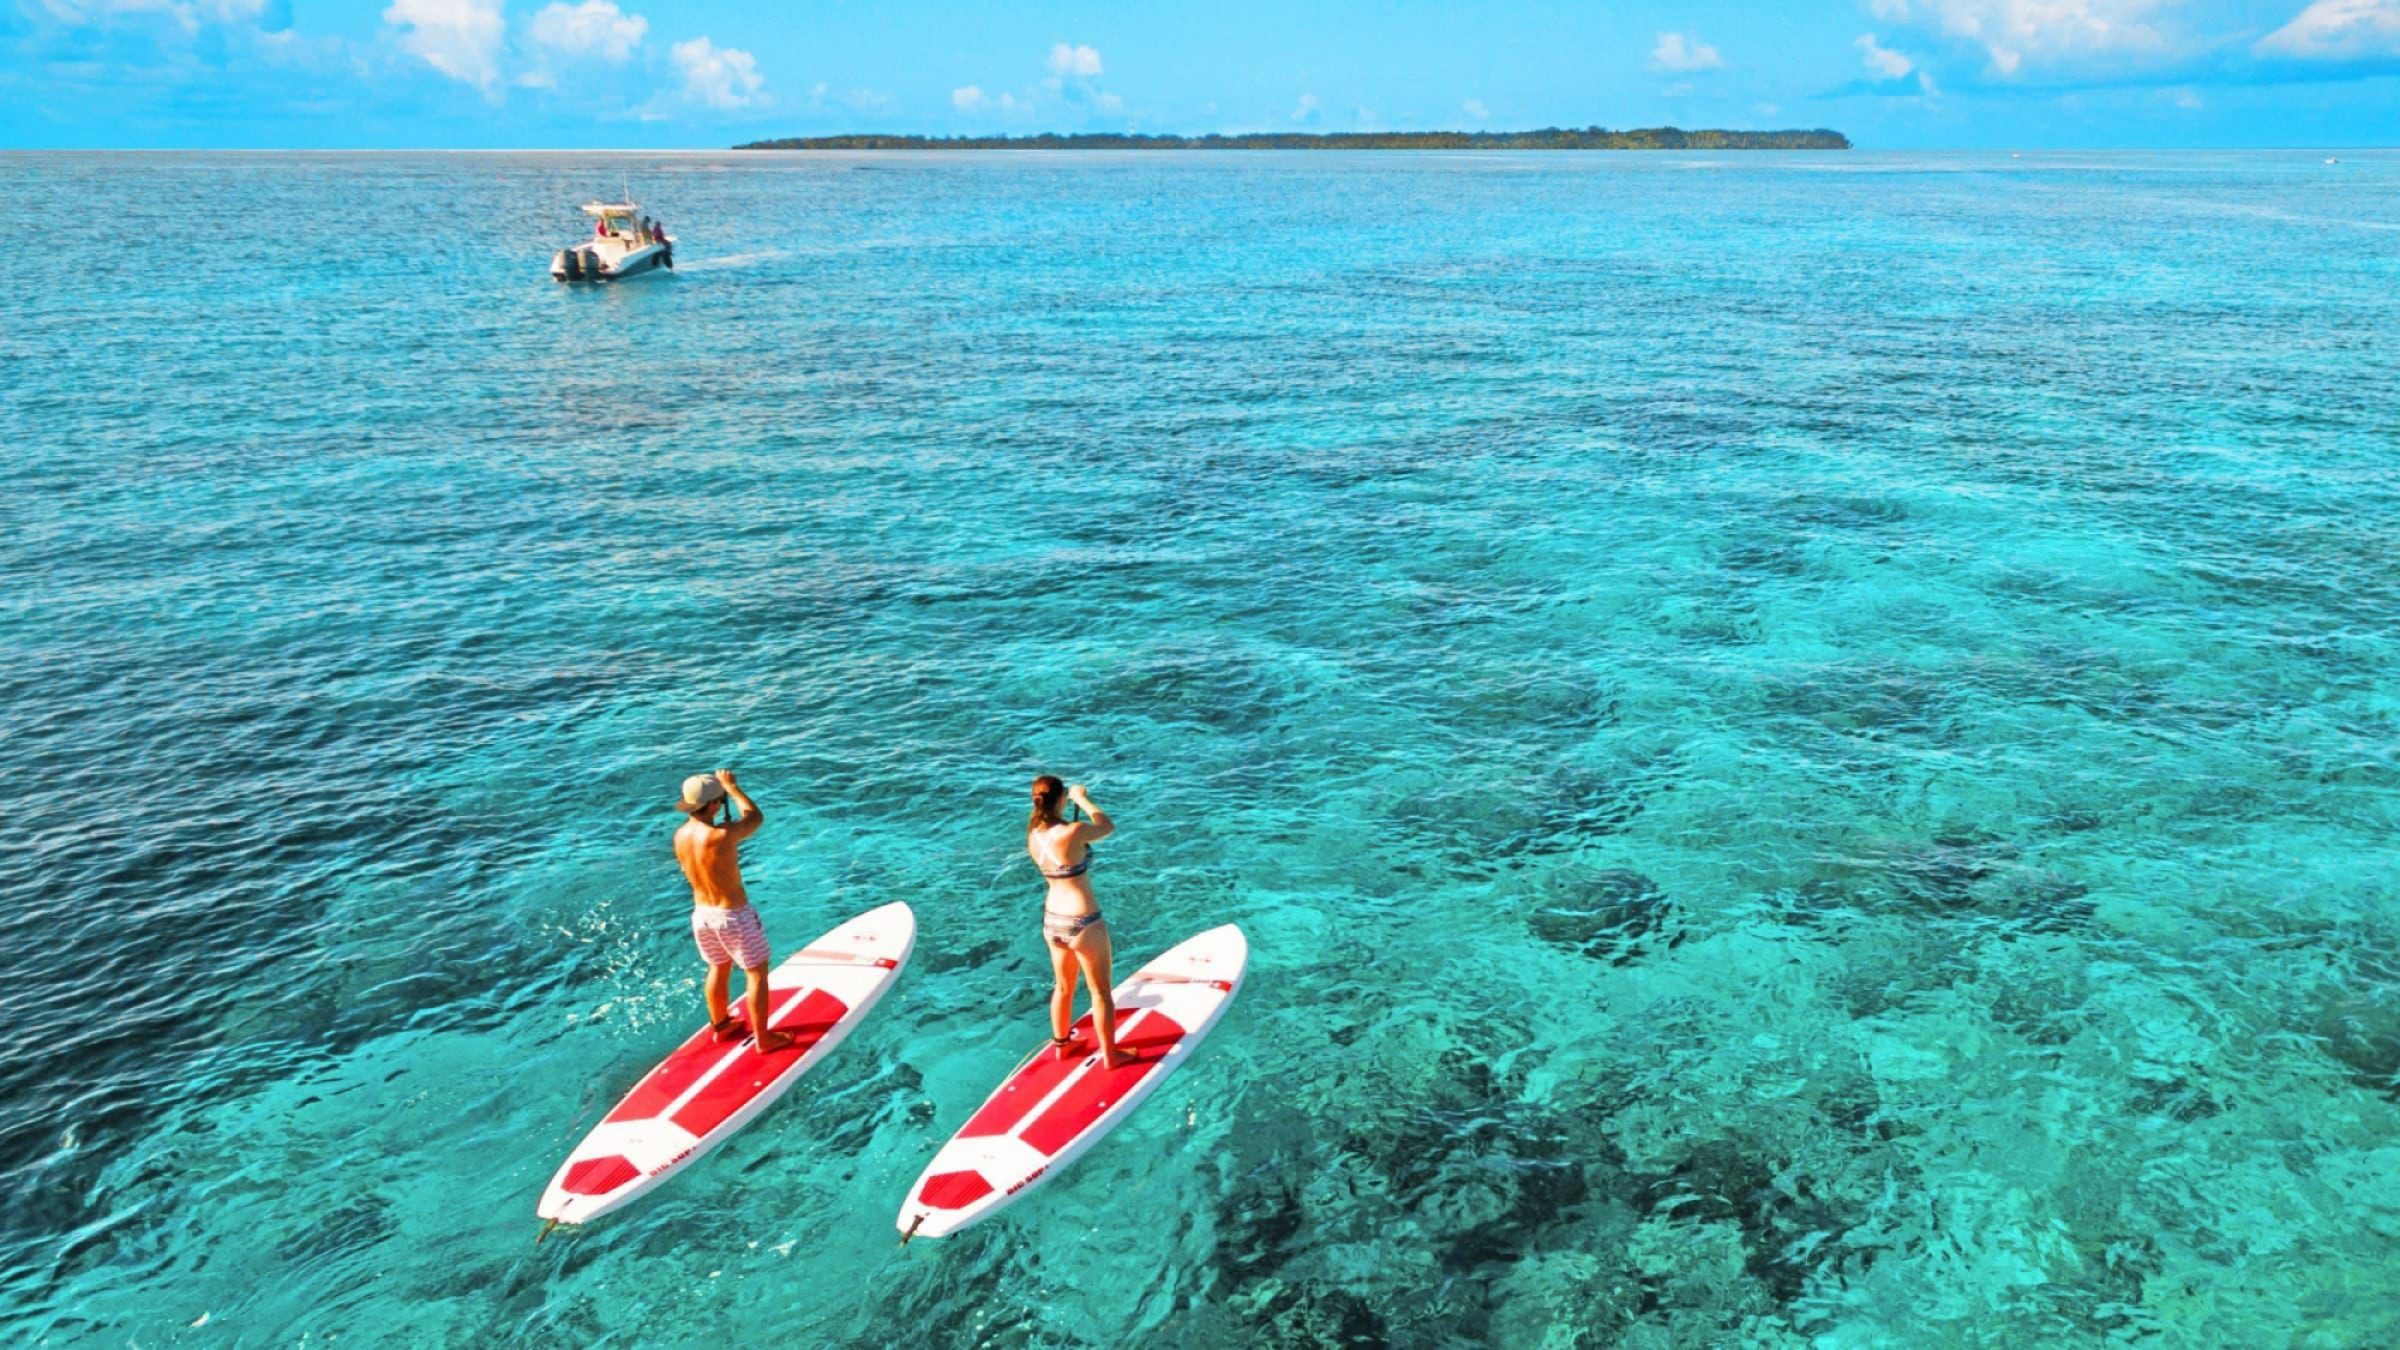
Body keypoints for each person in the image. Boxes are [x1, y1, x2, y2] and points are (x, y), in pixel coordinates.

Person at [672, 769, 792, 1052]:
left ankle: (722, 1025)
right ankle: (764, 1040)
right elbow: (755, 817)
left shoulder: (680, 836)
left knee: (718, 967)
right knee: (757, 974)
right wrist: (733, 788)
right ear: (714, 804)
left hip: (702, 914)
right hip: (733, 916)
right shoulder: (721, 835)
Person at [1027, 776, 1132, 1068]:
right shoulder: (1073, 831)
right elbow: (1107, 826)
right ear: (1061, 799)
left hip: (1052, 920)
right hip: (1083, 919)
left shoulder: (1034, 835)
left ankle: (1063, 1046)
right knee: (1100, 993)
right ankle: (1111, 1057)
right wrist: (1081, 799)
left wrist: (1067, 798)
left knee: (1063, 988)